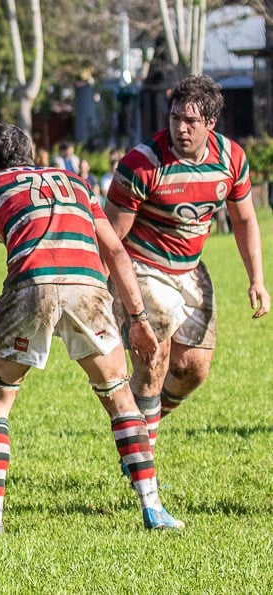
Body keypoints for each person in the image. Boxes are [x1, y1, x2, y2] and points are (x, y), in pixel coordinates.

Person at [0, 123, 184, 533]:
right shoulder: (77, 182)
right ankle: (153, 508)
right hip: (87, 284)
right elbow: (116, 250)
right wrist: (137, 319)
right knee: (119, 395)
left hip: (31, 286)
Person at [105, 75, 269, 453]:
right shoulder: (143, 164)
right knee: (156, 359)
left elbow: (244, 220)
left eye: (191, 121)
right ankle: (142, 464)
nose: (180, 127)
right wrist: (97, 289)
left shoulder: (231, 160)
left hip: (190, 269)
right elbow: (110, 237)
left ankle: (137, 422)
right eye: (175, 117)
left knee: (192, 369)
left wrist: (257, 280)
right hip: (142, 267)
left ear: (210, 123)